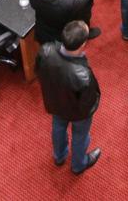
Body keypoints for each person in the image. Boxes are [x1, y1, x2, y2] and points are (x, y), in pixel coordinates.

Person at [38, 20, 101, 174]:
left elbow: (39, 73)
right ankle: (78, 165)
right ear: (82, 44)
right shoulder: (83, 75)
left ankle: (59, 156)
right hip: (78, 113)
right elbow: (90, 103)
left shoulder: (45, 51)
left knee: (58, 127)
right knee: (80, 135)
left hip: (55, 104)